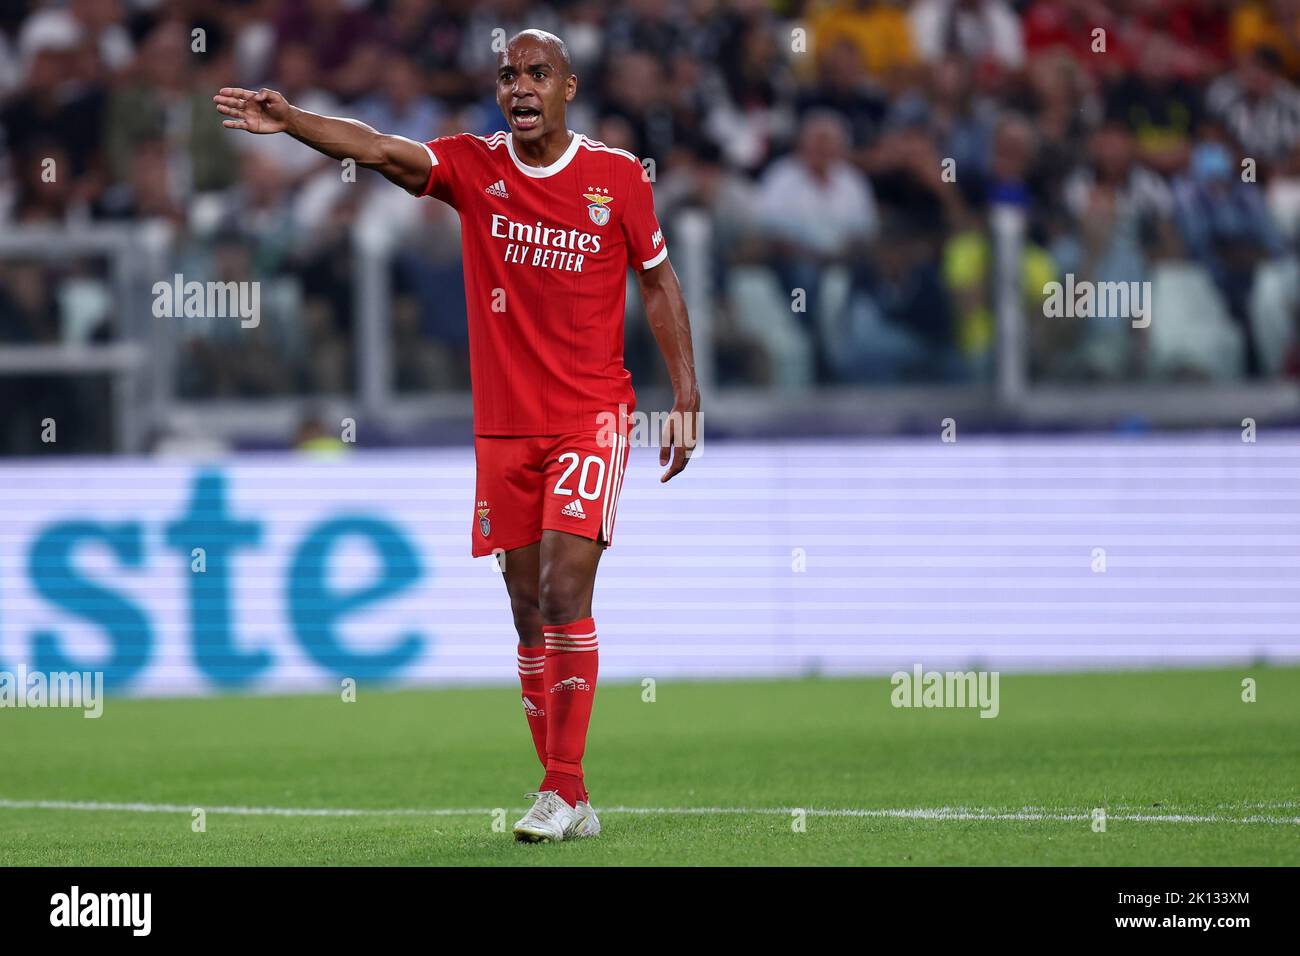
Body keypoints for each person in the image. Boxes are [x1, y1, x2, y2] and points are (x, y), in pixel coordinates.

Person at [213, 29, 700, 843]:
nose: (521, 86)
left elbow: (657, 280)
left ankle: (563, 785)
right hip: (504, 428)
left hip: (591, 414)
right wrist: (294, 120)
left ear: (568, 88)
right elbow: (375, 147)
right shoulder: (475, 168)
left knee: (563, 589)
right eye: (508, 74)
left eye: (538, 73)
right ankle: (567, 794)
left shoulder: (615, 177)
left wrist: (684, 392)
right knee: (523, 611)